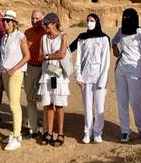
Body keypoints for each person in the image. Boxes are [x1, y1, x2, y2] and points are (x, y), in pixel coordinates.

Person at [112, 8, 141, 143]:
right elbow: (114, 42)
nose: (126, 19)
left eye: (129, 17)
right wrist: (115, 48)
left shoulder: (140, 33)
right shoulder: (121, 31)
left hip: (135, 71)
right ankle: (125, 131)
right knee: (122, 101)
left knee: (136, 101)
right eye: (124, 17)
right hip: (120, 70)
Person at [73, 14, 110, 144]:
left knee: (99, 106)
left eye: (92, 21)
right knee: (88, 106)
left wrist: (103, 79)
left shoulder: (104, 38)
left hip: (99, 76)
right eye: (88, 21)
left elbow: (106, 61)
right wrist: (77, 74)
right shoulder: (82, 39)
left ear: (97, 22)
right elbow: (78, 58)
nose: (89, 23)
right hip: (85, 76)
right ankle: (87, 133)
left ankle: (98, 133)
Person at [0, 10, 30, 151]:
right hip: (5, 73)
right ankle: (15, 132)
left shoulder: (20, 36)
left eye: (8, 21)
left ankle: (17, 137)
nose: (5, 23)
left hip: (16, 73)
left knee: (14, 104)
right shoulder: (4, 38)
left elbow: (27, 56)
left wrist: (15, 68)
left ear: (14, 23)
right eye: (4, 20)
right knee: (11, 101)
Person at [37, 13, 70, 147]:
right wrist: (50, 56)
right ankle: (49, 132)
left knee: (59, 105)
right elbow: (39, 56)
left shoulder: (63, 36)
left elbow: (61, 55)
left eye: (47, 23)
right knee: (49, 104)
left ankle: (60, 133)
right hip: (47, 75)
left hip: (58, 75)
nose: (45, 26)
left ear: (54, 23)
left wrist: (46, 56)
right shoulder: (43, 38)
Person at [23, 9, 44, 139]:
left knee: (45, 100)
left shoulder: (46, 32)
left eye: (37, 19)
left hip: (43, 68)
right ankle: (33, 129)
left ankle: (47, 129)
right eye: (32, 18)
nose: (34, 21)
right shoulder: (27, 33)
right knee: (30, 99)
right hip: (30, 68)